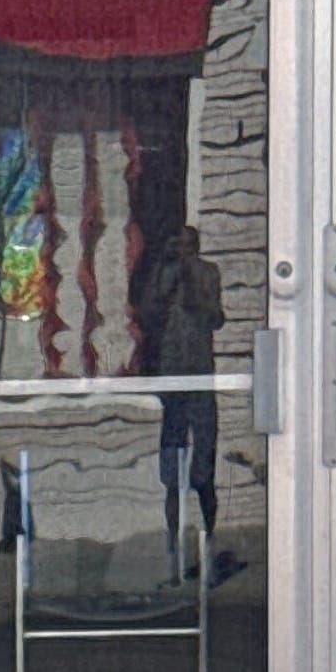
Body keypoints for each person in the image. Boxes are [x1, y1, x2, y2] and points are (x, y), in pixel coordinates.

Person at [137, 233, 231, 585]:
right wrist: (165, 273)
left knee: (204, 468)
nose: (183, 251)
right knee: (172, 470)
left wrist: (190, 276)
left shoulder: (207, 272)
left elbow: (214, 317)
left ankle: (210, 539)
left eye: (188, 245)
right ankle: (173, 550)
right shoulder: (164, 273)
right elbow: (148, 313)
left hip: (200, 376)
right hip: (173, 376)